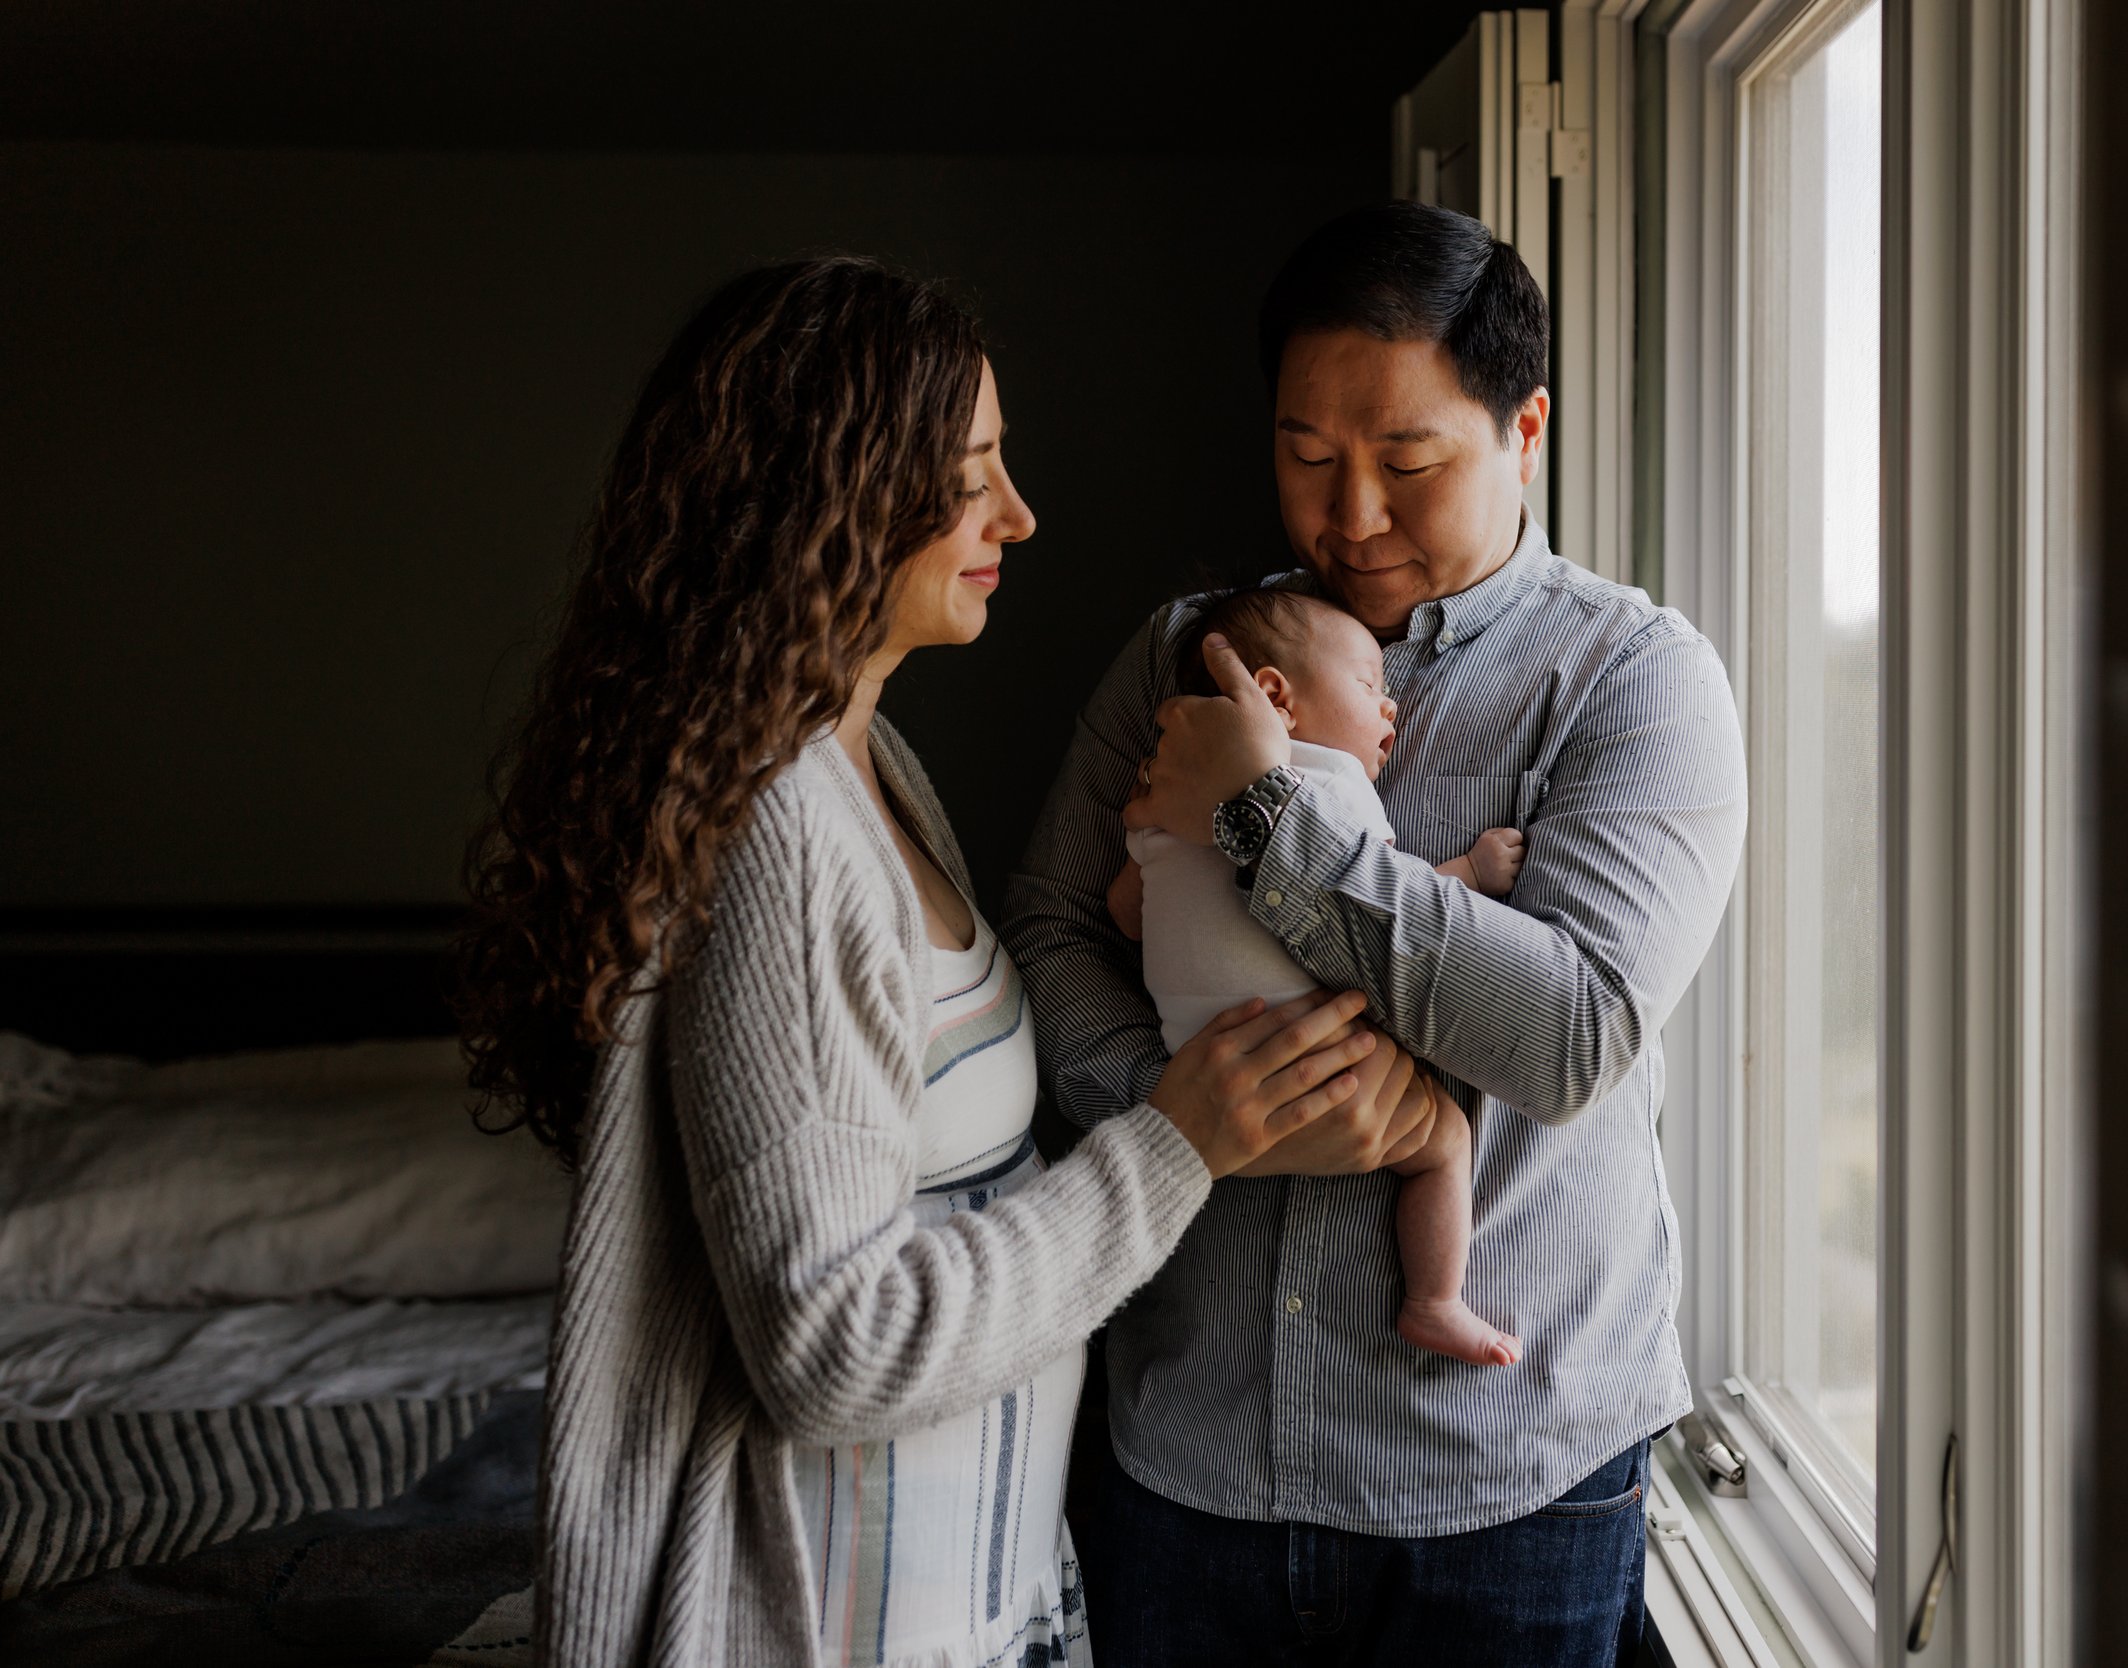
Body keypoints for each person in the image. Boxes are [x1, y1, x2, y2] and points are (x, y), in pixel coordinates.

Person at [452, 255, 1435, 1668]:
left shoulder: (874, 769)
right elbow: (831, 1346)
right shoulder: (787, 831)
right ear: (834, 496)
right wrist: (1177, 1151)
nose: (1018, 517)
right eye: (972, 476)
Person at [1003, 202, 1749, 1663]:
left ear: (1524, 427)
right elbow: (1044, 933)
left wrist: (1269, 823)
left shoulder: (1635, 681)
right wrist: (1184, 1116)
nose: (1348, 518)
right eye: (1304, 456)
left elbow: (1572, 1031)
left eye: (1409, 464)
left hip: (1508, 1480)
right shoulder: (1180, 651)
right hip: (1188, 1457)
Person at [1111, 584, 1527, 1368]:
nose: (1391, 707)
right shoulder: (1334, 787)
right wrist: (1469, 869)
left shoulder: (1162, 789)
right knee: (1443, 1141)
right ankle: (1435, 1301)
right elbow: (1388, 906)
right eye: (1371, 686)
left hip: (1195, 1061)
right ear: (1277, 697)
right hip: (1323, 1054)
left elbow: (1125, 912)